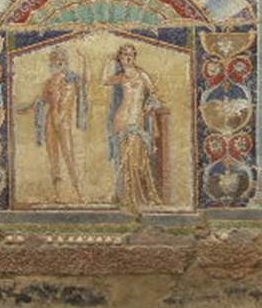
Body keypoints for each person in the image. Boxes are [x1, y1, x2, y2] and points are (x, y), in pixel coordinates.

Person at [17, 48, 88, 203]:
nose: (57, 62)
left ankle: (79, 192)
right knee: (53, 158)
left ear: (65, 62)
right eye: (55, 59)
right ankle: (59, 194)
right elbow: (38, 102)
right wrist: (19, 110)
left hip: (64, 122)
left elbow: (83, 85)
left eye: (60, 59)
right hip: (50, 121)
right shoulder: (48, 83)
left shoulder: (72, 80)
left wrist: (83, 61)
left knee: (69, 156)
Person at [101, 43, 163, 212]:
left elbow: (154, 94)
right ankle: (128, 198)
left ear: (134, 57)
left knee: (138, 159)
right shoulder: (120, 77)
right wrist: (108, 61)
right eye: (124, 55)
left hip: (136, 119)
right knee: (125, 160)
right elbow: (104, 80)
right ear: (120, 58)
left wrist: (150, 104)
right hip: (121, 119)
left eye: (131, 54)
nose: (128, 57)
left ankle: (144, 195)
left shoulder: (142, 75)